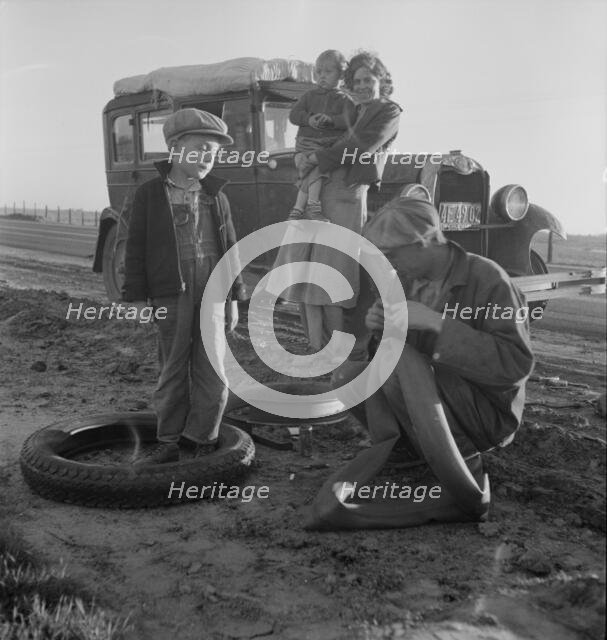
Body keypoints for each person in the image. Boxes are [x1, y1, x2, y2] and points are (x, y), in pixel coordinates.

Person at [312, 197, 535, 528]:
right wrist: (380, 330)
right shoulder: (404, 279)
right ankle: (409, 452)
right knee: (348, 376)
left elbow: (515, 366)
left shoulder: (489, 279)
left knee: (403, 361)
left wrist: (438, 324)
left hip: (484, 413)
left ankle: (459, 465)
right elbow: (389, 358)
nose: (386, 263)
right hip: (431, 401)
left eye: (392, 254)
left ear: (425, 242)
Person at [122, 108, 247, 465]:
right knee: (173, 367)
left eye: (215, 152)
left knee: (213, 368)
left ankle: (201, 439)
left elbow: (230, 250)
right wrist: (138, 297)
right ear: (176, 148)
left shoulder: (216, 197)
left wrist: (234, 298)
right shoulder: (149, 194)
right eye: (202, 148)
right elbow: (135, 248)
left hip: (212, 293)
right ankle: (169, 440)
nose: (210, 158)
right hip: (169, 293)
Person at [274, 51, 402, 353]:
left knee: (334, 271)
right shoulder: (344, 105)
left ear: (381, 81)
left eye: (368, 79)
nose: (361, 85)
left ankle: (341, 351)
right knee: (305, 269)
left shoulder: (387, 112)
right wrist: (305, 157)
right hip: (316, 190)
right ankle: (314, 346)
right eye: (356, 80)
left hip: (345, 195)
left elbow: (358, 146)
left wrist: (314, 158)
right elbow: (307, 125)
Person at [287, 49, 356, 222]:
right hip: (305, 144)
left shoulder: (345, 100)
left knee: (312, 173)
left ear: (341, 76)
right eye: (318, 72)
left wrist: (332, 120)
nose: (322, 76)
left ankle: (297, 211)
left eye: (328, 72)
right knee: (316, 171)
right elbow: (294, 115)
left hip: (324, 146)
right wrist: (309, 120)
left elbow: (350, 119)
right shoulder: (309, 96)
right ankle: (312, 209)